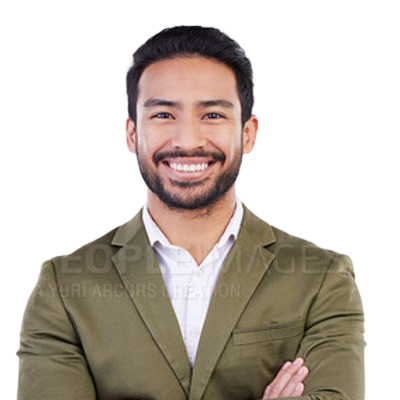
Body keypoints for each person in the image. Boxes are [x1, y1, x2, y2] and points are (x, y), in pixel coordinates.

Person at [17, 25, 366, 399]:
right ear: (132, 134)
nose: (187, 141)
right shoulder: (64, 286)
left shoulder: (323, 277)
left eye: (212, 115)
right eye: (163, 115)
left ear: (248, 133)